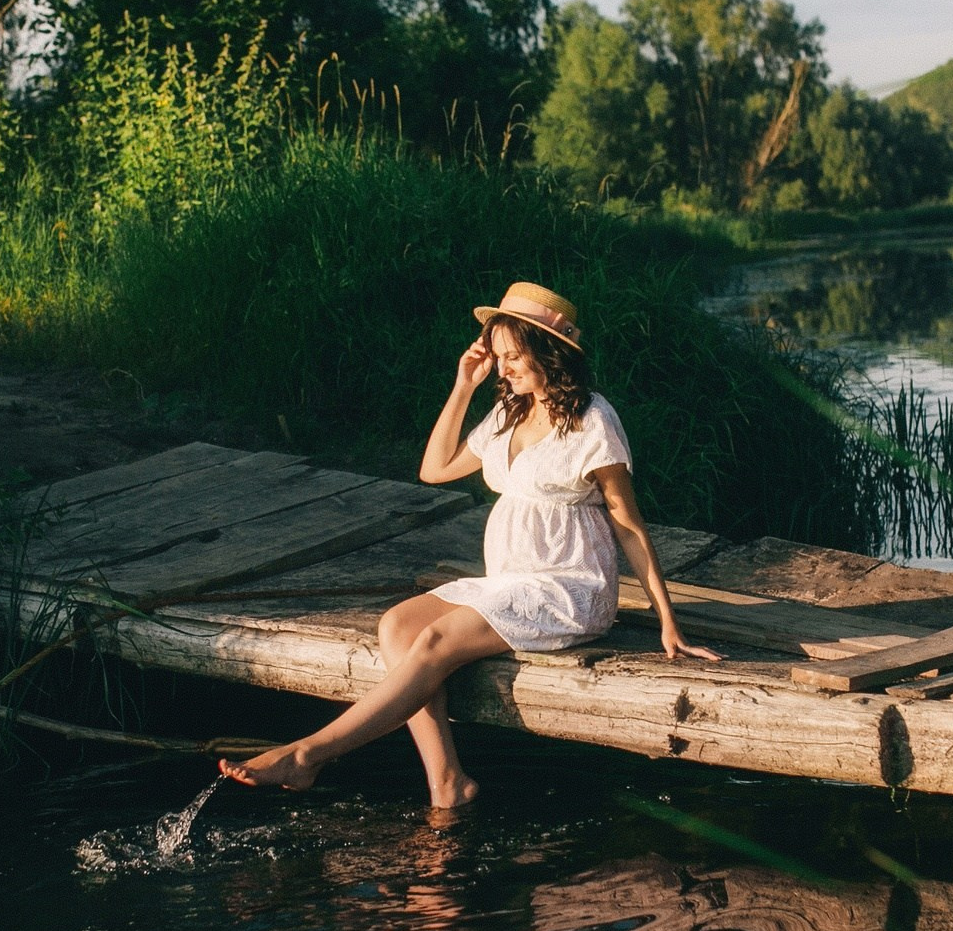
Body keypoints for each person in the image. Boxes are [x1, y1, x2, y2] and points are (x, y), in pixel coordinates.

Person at [219, 281, 719, 811]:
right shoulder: (510, 412)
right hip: (509, 581)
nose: (502, 369)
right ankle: (447, 781)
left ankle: (308, 755)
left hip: (566, 587)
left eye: (513, 356)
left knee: (433, 640)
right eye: (497, 357)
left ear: (548, 351)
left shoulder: (592, 420)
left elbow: (629, 525)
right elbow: (433, 470)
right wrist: (463, 386)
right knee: (397, 626)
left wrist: (668, 621)